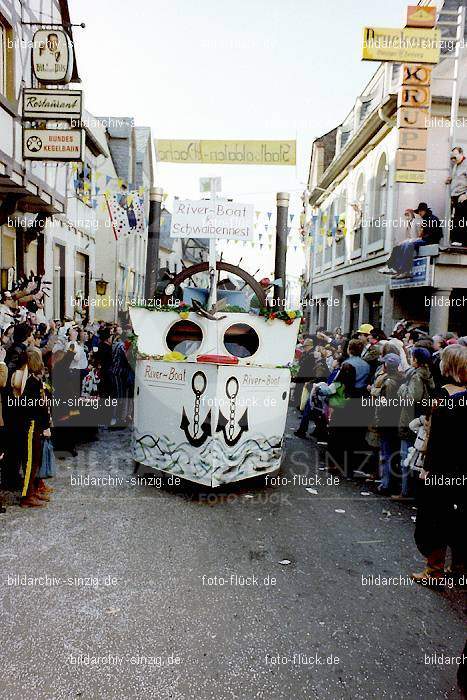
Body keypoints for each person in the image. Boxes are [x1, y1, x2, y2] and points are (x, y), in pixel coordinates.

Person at [411, 345, 467, 585]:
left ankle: (434, 571)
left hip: (442, 468)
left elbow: (437, 439)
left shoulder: (443, 398)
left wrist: (427, 468)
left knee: (435, 518)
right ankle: (459, 570)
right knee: (459, 518)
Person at [394, 346, 435, 501]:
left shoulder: (416, 376)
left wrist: (402, 388)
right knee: (415, 456)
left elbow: (412, 398)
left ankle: (405, 491)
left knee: (406, 456)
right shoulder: (426, 375)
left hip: (410, 419)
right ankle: (412, 490)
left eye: (412, 357)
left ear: (416, 360)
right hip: (419, 418)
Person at [378, 203, 442, 278]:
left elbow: (433, 234)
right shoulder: (425, 219)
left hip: (430, 240)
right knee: (402, 244)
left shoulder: (432, 219)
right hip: (425, 239)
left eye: (421, 211)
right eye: (419, 212)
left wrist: (420, 238)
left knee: (408, 244)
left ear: (424, 211)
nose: (420, 213)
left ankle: (405, 270)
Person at [446, 146, 467, 247]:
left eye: (455, 154)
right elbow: (459, 178)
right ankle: (457, 240)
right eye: (452, 155)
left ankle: (461, 241)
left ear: (461, 153)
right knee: (456, 219)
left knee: (461, 219)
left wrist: (466, 195)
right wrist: (450, 179)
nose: (453, 157)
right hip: (455, 196)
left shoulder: (466, 164)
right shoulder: (456, 165)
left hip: (462, 196)